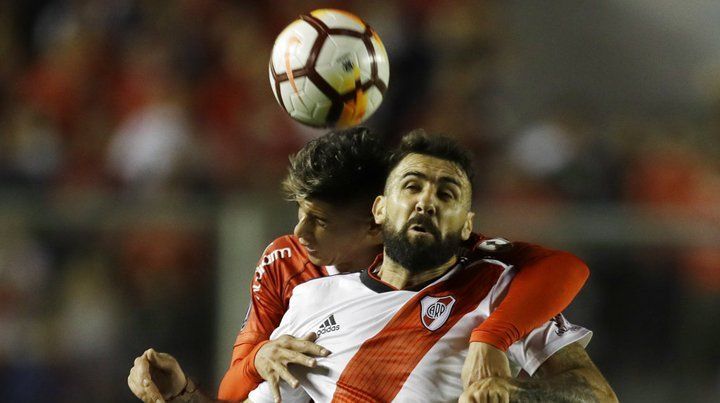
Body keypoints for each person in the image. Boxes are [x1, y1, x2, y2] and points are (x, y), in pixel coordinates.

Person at [128, 127, 590, 403]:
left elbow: (594, 389)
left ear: (467, 225)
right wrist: (183, 394)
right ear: (380, 210)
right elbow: (236, 392)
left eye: (446, 193)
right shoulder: (304, 290)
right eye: (411, 186)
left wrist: (507, 380)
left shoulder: (500, 286)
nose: (300, 234)